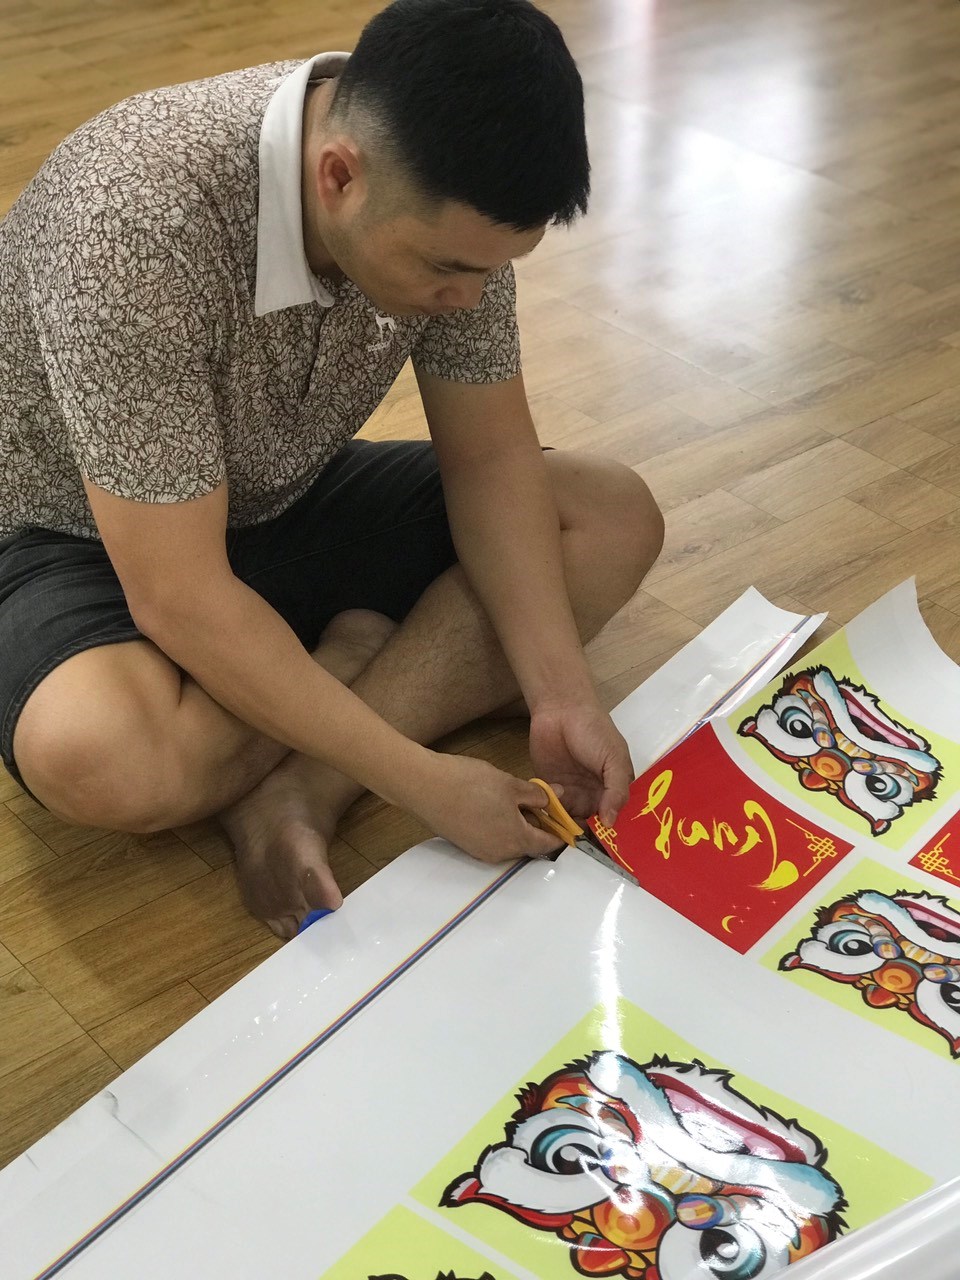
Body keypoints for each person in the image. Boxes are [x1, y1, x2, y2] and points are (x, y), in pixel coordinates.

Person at [0, 0, 663, 938]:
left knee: (609, 515)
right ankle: (346, 657)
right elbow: (178, 595)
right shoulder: (131, 222)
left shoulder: (441, 194)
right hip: (76, 535)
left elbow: (490, 457)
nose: (468, 297)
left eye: (494, 270)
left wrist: (561, 697)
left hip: (281, 489)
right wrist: (421, 782)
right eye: (447, 269)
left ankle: (302, 784)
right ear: (337, 175)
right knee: (99, 755)